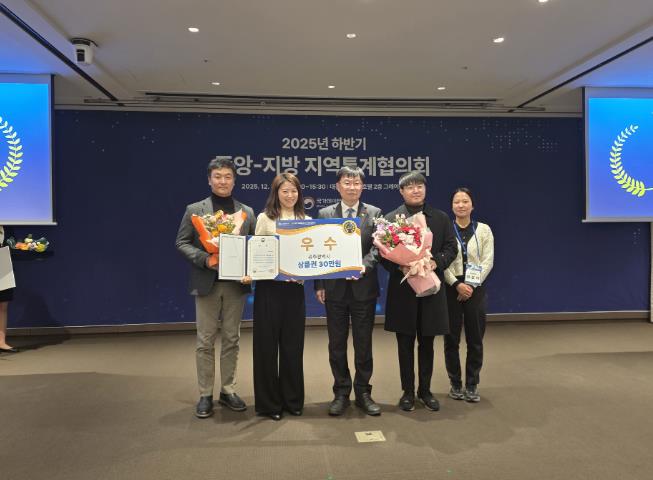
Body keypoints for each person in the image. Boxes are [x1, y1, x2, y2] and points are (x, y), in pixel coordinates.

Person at [175, 158, 256, 419]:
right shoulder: (194, 210)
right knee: (205, 340)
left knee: (232, 339)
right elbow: (182, 242)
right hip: (206, 283)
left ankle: (228, 389)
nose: (223, 181)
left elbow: (254, 246)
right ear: (209, 180)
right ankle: (205, 394)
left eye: (227, 176)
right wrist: (205, 259)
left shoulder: (246, 211)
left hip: (235, 286)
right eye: (218, 176)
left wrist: (251, 270)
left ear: (234, 180)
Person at [381, 172, 458, 412]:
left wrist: (435, 262)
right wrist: (401, 265)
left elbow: (451, 247)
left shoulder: (440, 218)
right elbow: (383, 256)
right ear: (401, 191)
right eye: (410, 187)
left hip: (431, 289)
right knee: (404, 343)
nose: (415, 190)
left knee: (427, 342)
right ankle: (407, 392)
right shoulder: (391, 219)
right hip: (403, 290)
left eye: (419, 186)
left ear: (425, 189)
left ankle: (425, 391)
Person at [314, 166, 383, 416]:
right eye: (347, 182)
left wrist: (364, 266)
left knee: (363, 344)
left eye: (356, 183)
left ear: (362, 187)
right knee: (336, 344)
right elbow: (318, 250)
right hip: (334, 289)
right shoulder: (325, 213)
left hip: (364, 289)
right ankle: (341, 392)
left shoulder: (374, 213)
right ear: (338, 186)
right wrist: (319, 284)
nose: (352, 187)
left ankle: (363, 392)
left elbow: (379, 247)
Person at [252, 173, 308, 421]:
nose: (290, 195)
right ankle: (269, 404)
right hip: (269, 290)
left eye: (294, 191)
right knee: (266, 347)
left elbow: (310, 258)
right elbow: (257, 253)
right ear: (276, 193)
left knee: (292, 347)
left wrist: (302, 274)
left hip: (294, 291)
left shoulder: (306, 220)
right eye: (285, 191)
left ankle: (292, 400)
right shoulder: (264, 218)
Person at [444, 188, 494, 403]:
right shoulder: (446, 229)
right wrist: (456, 284)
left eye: (465, 201)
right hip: (451, 288)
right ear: (452, 206)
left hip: (476, 288)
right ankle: (455, 383)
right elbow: (441, 261)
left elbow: (488, 260)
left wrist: (470, 285)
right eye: (457, 201)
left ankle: (472, 384)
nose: (461, 205)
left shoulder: (483, 230)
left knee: (475, 339)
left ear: (472, 205)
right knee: (451, 339)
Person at [0, 226, 18, 353]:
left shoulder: (8, 226)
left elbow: (13, 243)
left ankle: (1, 342)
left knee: (3, 305)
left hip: (4, 264)